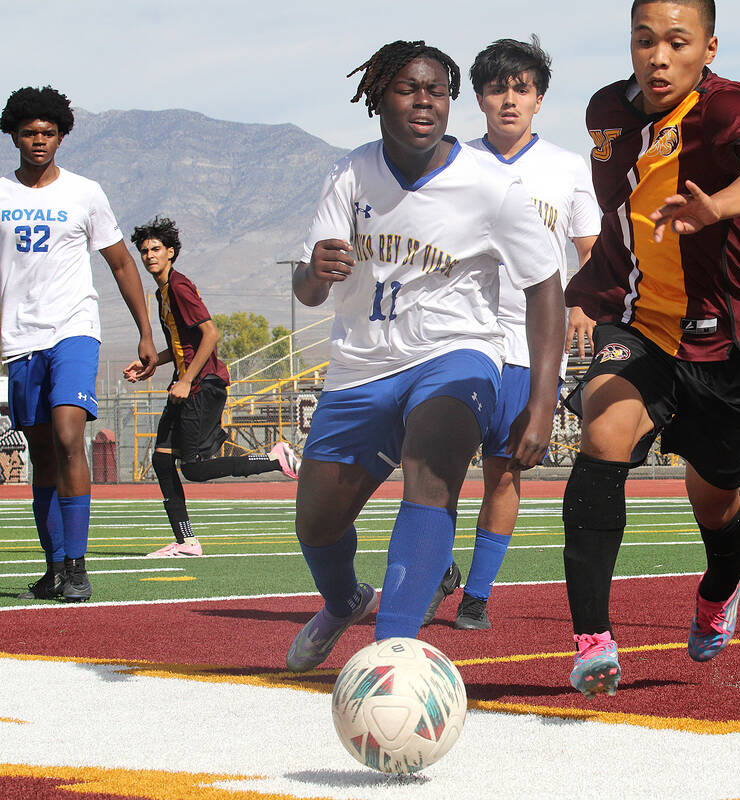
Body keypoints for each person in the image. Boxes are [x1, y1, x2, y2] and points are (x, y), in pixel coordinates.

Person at [284, 40, 564, 672]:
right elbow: (307, 287)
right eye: (409, 89)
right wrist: (314, 273)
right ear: (379, 97)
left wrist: (543, 402)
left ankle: (393, 656)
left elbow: (546, 286)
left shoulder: (491, 186)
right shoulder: (349, 175)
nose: (424, 101)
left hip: (457, 354)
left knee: (431, 468)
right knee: (317, 523)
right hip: (360, 366)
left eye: (436, 91)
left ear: (449, 102)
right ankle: (342, 601)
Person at [560, 0, 740, 697]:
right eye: (644, 41)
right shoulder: (607, 110)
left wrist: (718, 206)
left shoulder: (726, 106)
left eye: (676, 42)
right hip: (639, 327)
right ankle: (592, 642)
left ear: (708, 48)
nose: (658, 57)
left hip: (733, 347)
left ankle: (720, 588)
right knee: (602, 431)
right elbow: (617, 214)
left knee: (714, 500)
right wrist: (587, 286)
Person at [421, 35, 600, 631]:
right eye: (497, 88)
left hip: (530, 344)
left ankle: (476, 594)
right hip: (460, 336)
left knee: (504, 469)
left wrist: (580, 305)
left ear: (539, 99)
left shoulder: (567, 167)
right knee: (436, 464)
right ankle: (435, 566)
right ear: (478, 97)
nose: (508, 100)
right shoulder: (452, 162)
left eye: (521, 89)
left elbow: (589, 251)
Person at [1, 86, 157, 602]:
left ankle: (77, 565)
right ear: (14, 135)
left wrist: (144, 330)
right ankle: (53, 567)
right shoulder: (2, 196)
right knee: (42, 452)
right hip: (19, 339)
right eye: (29, 132)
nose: (39, 140)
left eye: (48, 132)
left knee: (70, 435)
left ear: (62, 136)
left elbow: (119, 262)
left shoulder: (85, 193)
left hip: (73, 330)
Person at [123, 216, 300, 557]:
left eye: (156, 249)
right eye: (144, 251)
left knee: (193, 468)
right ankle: (186, 541)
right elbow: (182, 344)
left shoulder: (178, 286)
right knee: (162, 461)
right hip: (186, 381)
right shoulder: (162, 292)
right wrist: (151, 365)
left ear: (171, 252)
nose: (149, 256)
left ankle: (276, 459)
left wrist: (187, 380)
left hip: (202, 383)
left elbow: (210, 333)